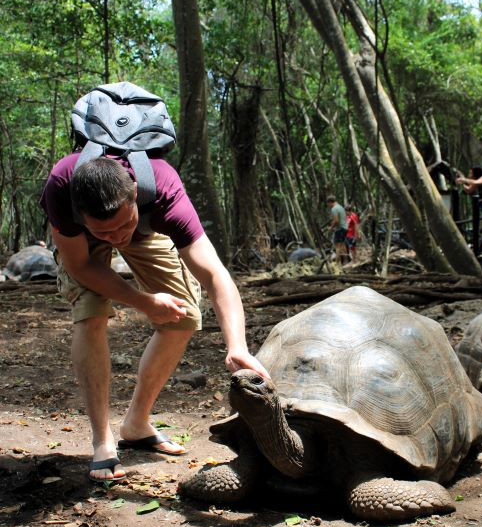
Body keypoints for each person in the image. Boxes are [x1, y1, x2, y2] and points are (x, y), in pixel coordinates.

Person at [40, 152, 270, 483]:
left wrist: (237, 345)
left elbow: (216, 276)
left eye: (123, 224)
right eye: (107, 232)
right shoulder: (61, 188)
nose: (118, 237)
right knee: (91, 314)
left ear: (136, 194)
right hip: (82, 245)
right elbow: (81, 267)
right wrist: (143, 301)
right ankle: (103, 441)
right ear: (82, 216)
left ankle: (136, 424)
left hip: (147, 226)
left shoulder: (163, 190)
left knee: (182, 315)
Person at [326, 194, 348, 264]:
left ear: (330, 202)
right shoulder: (340, 207)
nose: (328, 206)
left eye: (328, 204)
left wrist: (331, 228)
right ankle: (345, 261)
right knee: (343, 244)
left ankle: (336, 264)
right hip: (345, 228)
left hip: (340, 228)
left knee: (337, 246)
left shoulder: (334, 208)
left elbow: (336, 221)